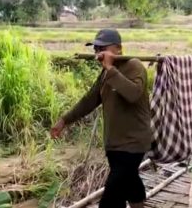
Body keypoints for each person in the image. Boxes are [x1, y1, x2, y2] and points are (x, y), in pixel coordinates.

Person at [50, 29, 152, 208]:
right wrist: (64, 120)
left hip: (133, 143)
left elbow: (133, 94)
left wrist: (110, 68)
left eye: (103, 48)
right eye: (96, 49)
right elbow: (89, 100)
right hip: (114, 144)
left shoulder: (134, 66)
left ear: (118, 49)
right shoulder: (106, 74)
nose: (98, 54)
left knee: (111, 198)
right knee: (130, 182)